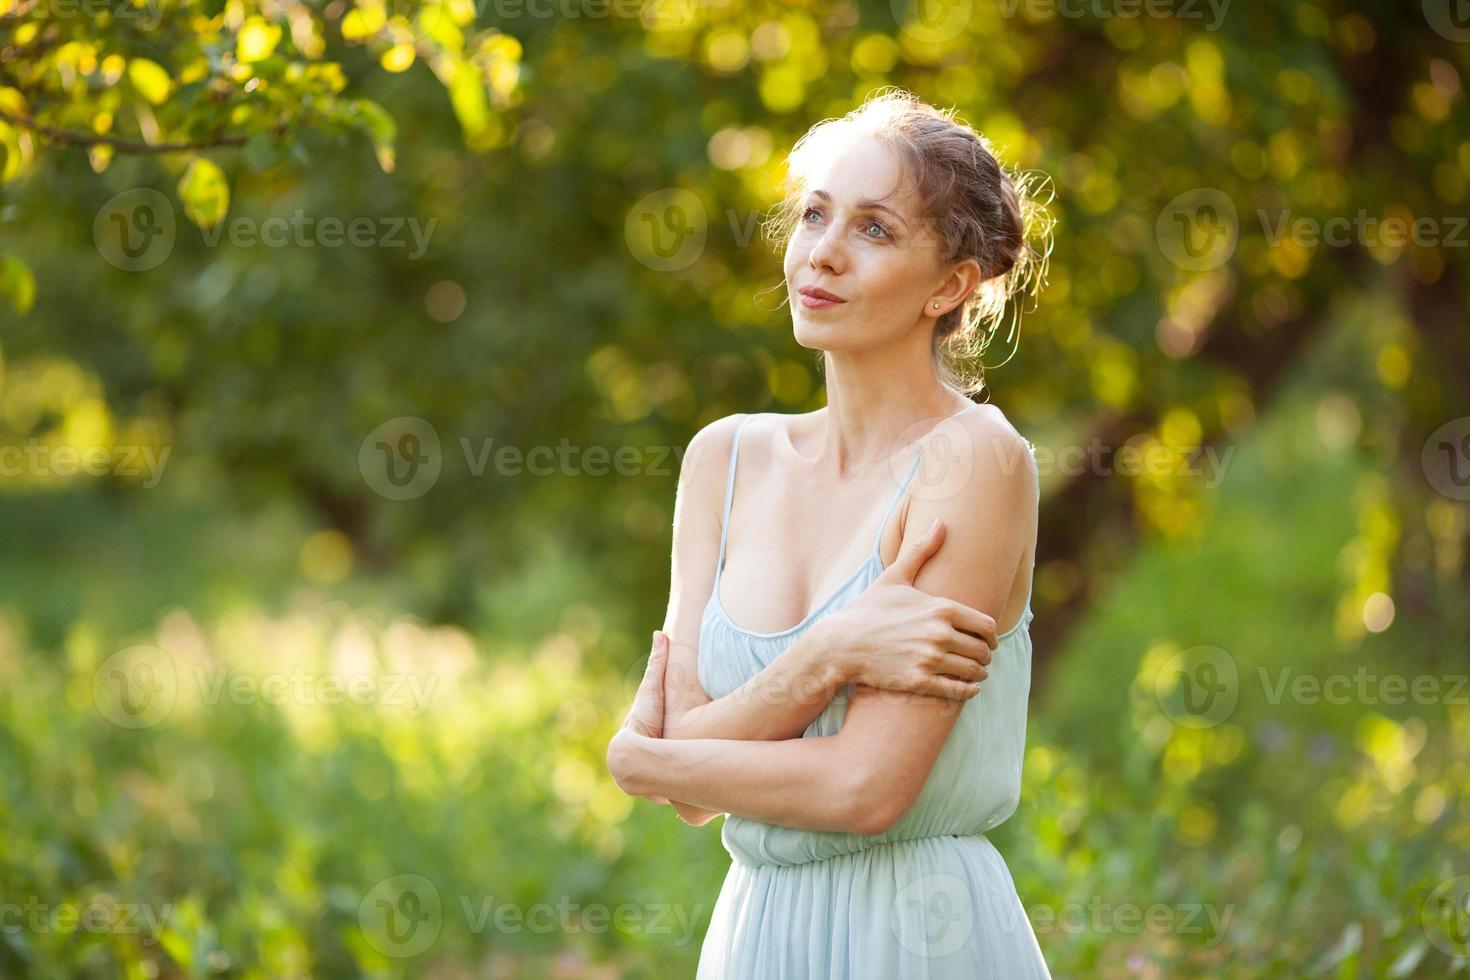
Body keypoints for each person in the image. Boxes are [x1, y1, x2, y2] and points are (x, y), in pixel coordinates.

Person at [607, 86, 1054, 978]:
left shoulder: (976, 460)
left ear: (951, 286)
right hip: (753, 937)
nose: (823, 254)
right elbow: (677, 778)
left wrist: (658, 759)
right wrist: (834, 653)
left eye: (875, 230)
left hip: (917, 935)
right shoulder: (723, 459)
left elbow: (865, 788)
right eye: (815, 215)